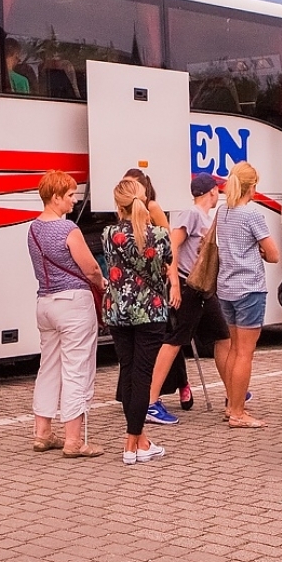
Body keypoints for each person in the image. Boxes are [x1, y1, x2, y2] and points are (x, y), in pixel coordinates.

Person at [27, 170, 105, 458]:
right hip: (73, 302)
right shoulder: (68, 229)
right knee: (76, 369)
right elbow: (90, 268)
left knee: (48, 366)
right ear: (56, 197)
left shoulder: (33, 228)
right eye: (70, 195)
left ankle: (42, 432)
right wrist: (102, 284)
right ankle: (74, 440)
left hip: (45, 303)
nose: (74, 200)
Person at [104, 177, 176, 464]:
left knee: (128, 371)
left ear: (117, 205)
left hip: (118, 310)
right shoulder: (158, 235)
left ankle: (138, 441)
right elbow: (168, 263)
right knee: (143, 375)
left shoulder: (109, 234)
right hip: (150, 310)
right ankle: (131, 443)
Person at [149, 175, 231, 422]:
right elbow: (171, 246)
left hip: (203, 289)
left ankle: (233, 391)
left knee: (223, 336)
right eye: (218, 191)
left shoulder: (206, 217)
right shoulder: (192, 214)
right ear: (212, 192)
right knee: (175, 341)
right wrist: (174, 283)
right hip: (187, 286)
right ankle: (150, 401)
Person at [214, 162, 279, 427]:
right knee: (245, 353)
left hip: (226, 287)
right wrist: (261, 252)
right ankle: (239, 413)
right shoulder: (252, 215)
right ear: (251, 186)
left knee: (233, 348)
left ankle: (231, 404)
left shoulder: (222, 211)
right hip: (249, 288)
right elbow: (274, 254)